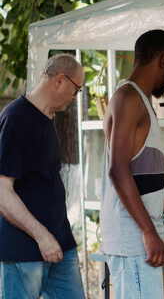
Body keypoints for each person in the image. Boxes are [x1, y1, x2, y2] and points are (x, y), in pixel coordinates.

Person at [101, 29, 164, 299]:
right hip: (132, 240)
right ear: (163, 60)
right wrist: (148, 232)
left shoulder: (138, 100)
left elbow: (138, 174)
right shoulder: (129, 99)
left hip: (138, 239)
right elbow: (118, 170)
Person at [0, 54, 85, 298]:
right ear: (60, 80)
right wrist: (42, 236)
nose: (75, 96)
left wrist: (54, 237)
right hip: (25, 251)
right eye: (76, 89)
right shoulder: (15, 119)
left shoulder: (47, 117)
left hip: (61, 245)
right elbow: (2, 191)